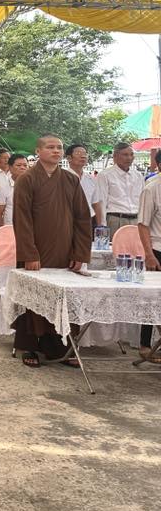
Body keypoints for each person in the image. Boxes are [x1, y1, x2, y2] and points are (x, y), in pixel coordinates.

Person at [12, 135, 92, 368]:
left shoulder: (70, 179)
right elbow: (22, 219)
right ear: (38, 151)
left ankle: (59, 348)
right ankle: (30, 347)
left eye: (59, 147)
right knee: (33, 298)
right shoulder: (27, 179)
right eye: (50, 147)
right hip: (36, 250)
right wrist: (29, 254)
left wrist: (80, 253)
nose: (56, 151)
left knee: (61, 298)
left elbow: (82, 218)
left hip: (64, 250)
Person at [137, 150, 161, 364]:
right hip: (157, 249)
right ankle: (145, 345)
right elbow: (143, 224)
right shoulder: (151, 188)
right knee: (152, 299)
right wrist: (149, 254)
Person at [95, 142, 143, 238]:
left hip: (136, 220)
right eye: (125, 155)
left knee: (136, 247)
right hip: (116, 220)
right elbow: (101, 202)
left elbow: (143, 200)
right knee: (115, 247)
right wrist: (102, 226)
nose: (129, 158)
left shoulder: (138, 175)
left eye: (131, 155)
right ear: (115, 156)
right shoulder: (105, 175)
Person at [65, 144, 99, 226]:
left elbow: (96, 203)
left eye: (85, 154)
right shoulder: (62, 178)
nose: (83, 156)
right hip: (68, 221)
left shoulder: (92, 179)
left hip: (90, 220)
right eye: (78, 153)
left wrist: (100, 223)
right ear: (69, 158)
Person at [0, 153, 29, 228]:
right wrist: (1, 232)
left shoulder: (34, 186)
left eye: (25, 165)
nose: (22, 168)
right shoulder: (3, 187)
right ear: (10, 167)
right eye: (18, 165)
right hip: (10, 229)